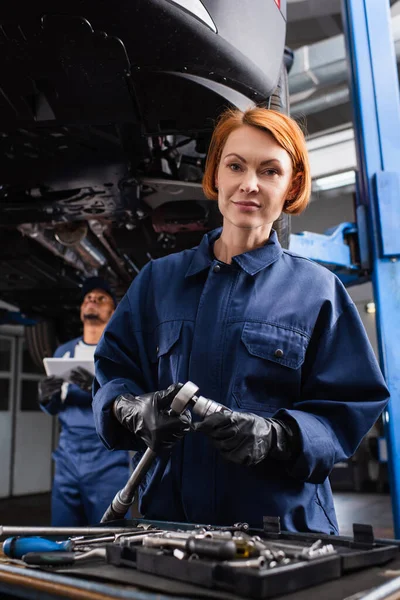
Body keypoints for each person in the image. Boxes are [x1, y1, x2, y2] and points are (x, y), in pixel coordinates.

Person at [92, 107, 390, 534]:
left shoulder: (318, 291)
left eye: (270, 171)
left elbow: (351, 404)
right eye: (236, 166)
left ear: (292, 186)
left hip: (283, 532)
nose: (249, 185)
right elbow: (113, 371)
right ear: (215, 175)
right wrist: (130, 408)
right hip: (168, 527)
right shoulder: (158, 281)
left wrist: (279, 435)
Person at [38, 277, 131, 526]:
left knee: (108, 535)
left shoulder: (120, 354)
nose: (92, 301)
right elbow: (55, 408)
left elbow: (132, 405)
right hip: (67, 455)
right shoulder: (63, 352)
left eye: (101, 299)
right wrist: (46, 398)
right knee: (62, 531)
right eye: (88, 298)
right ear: (81, 311)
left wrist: (95, 389)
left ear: (112, 312)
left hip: (108, 457)